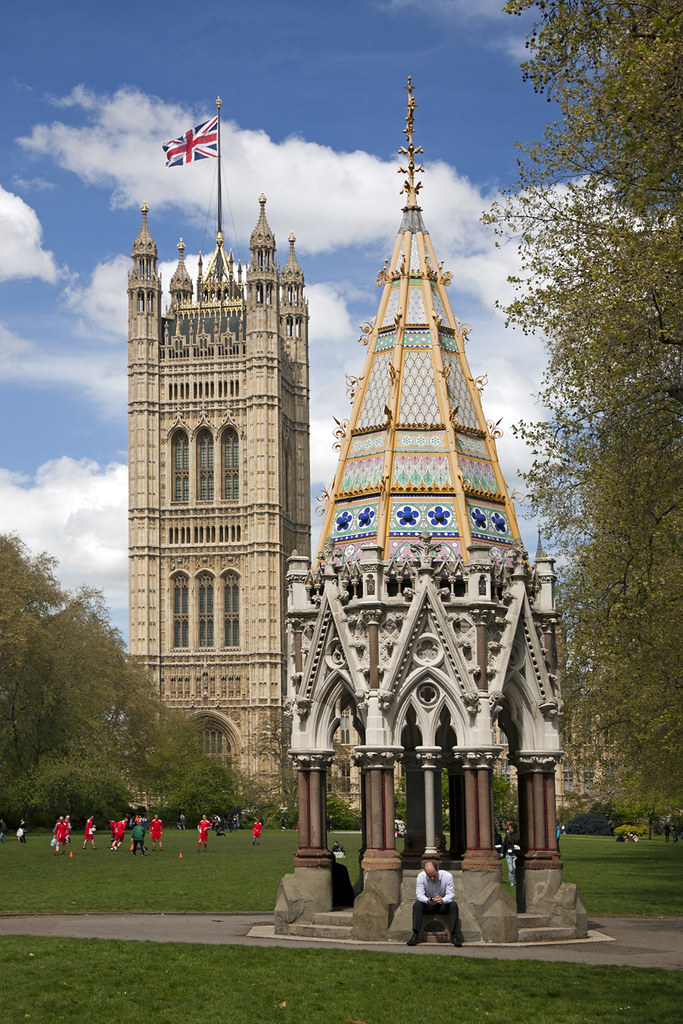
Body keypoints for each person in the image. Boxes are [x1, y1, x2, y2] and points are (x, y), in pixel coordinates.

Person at [406, 861, 461, 947]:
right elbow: (419, 894)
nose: (432, 878)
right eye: (429, 876)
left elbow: (451, 895)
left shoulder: (447, 876)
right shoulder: (421, 877)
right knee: (417, 905)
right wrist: (427, 900)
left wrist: (443, 900)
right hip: (428, 904)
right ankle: (416, 934)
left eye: (434, 876)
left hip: (442, 904)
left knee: (453, 905)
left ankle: (454, 935)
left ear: (437, 870)